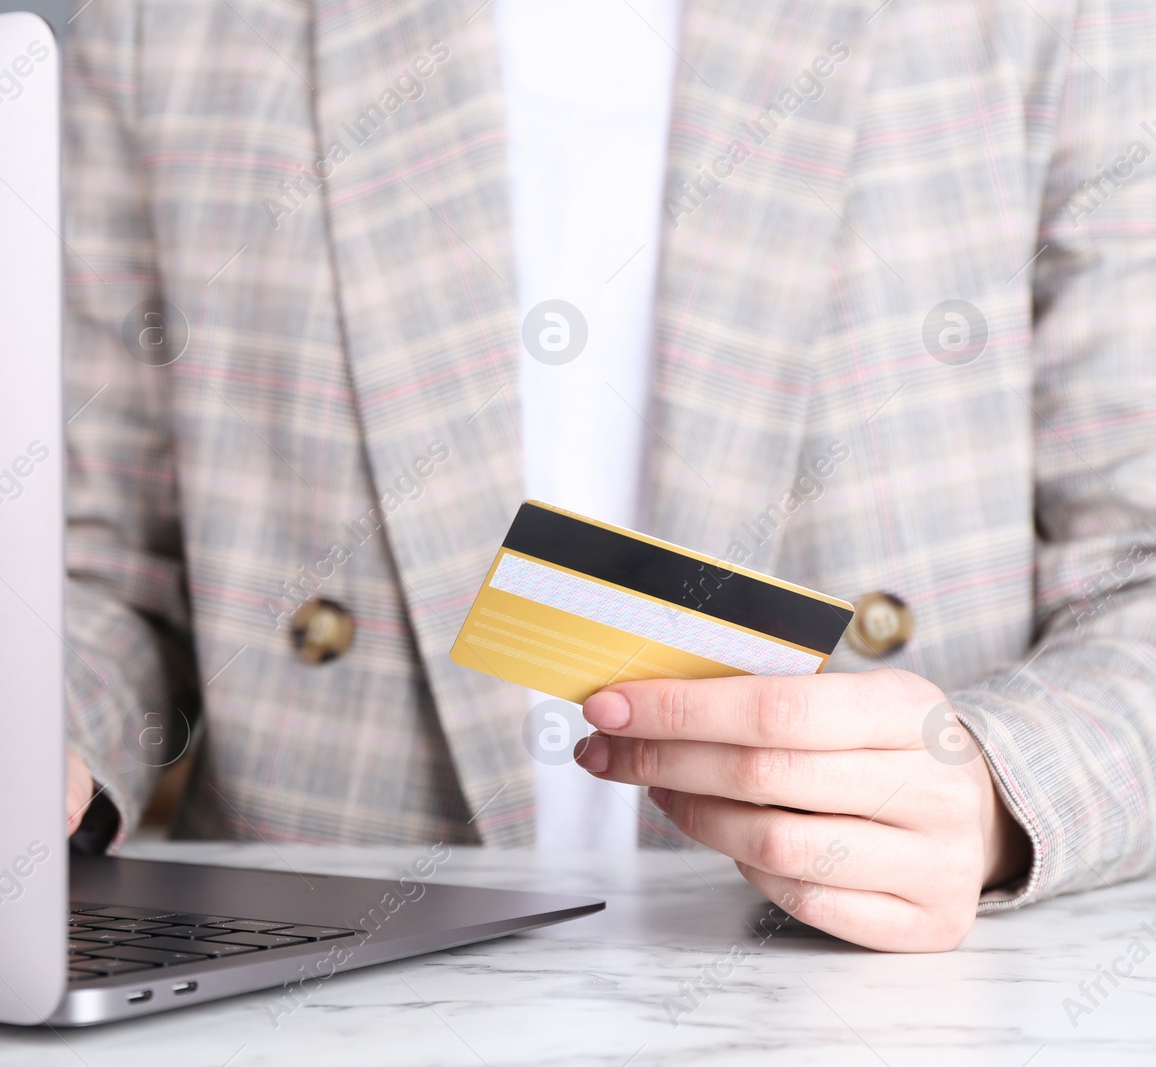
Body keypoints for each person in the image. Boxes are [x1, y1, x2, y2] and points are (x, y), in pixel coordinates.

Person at [58, 0, 1156, 952]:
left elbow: (1141, 571)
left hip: (859, 990)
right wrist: (34, 738)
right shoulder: (170, 26)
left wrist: (997, 787)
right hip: (319, 976)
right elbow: (105, 568)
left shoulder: (1050, 18)